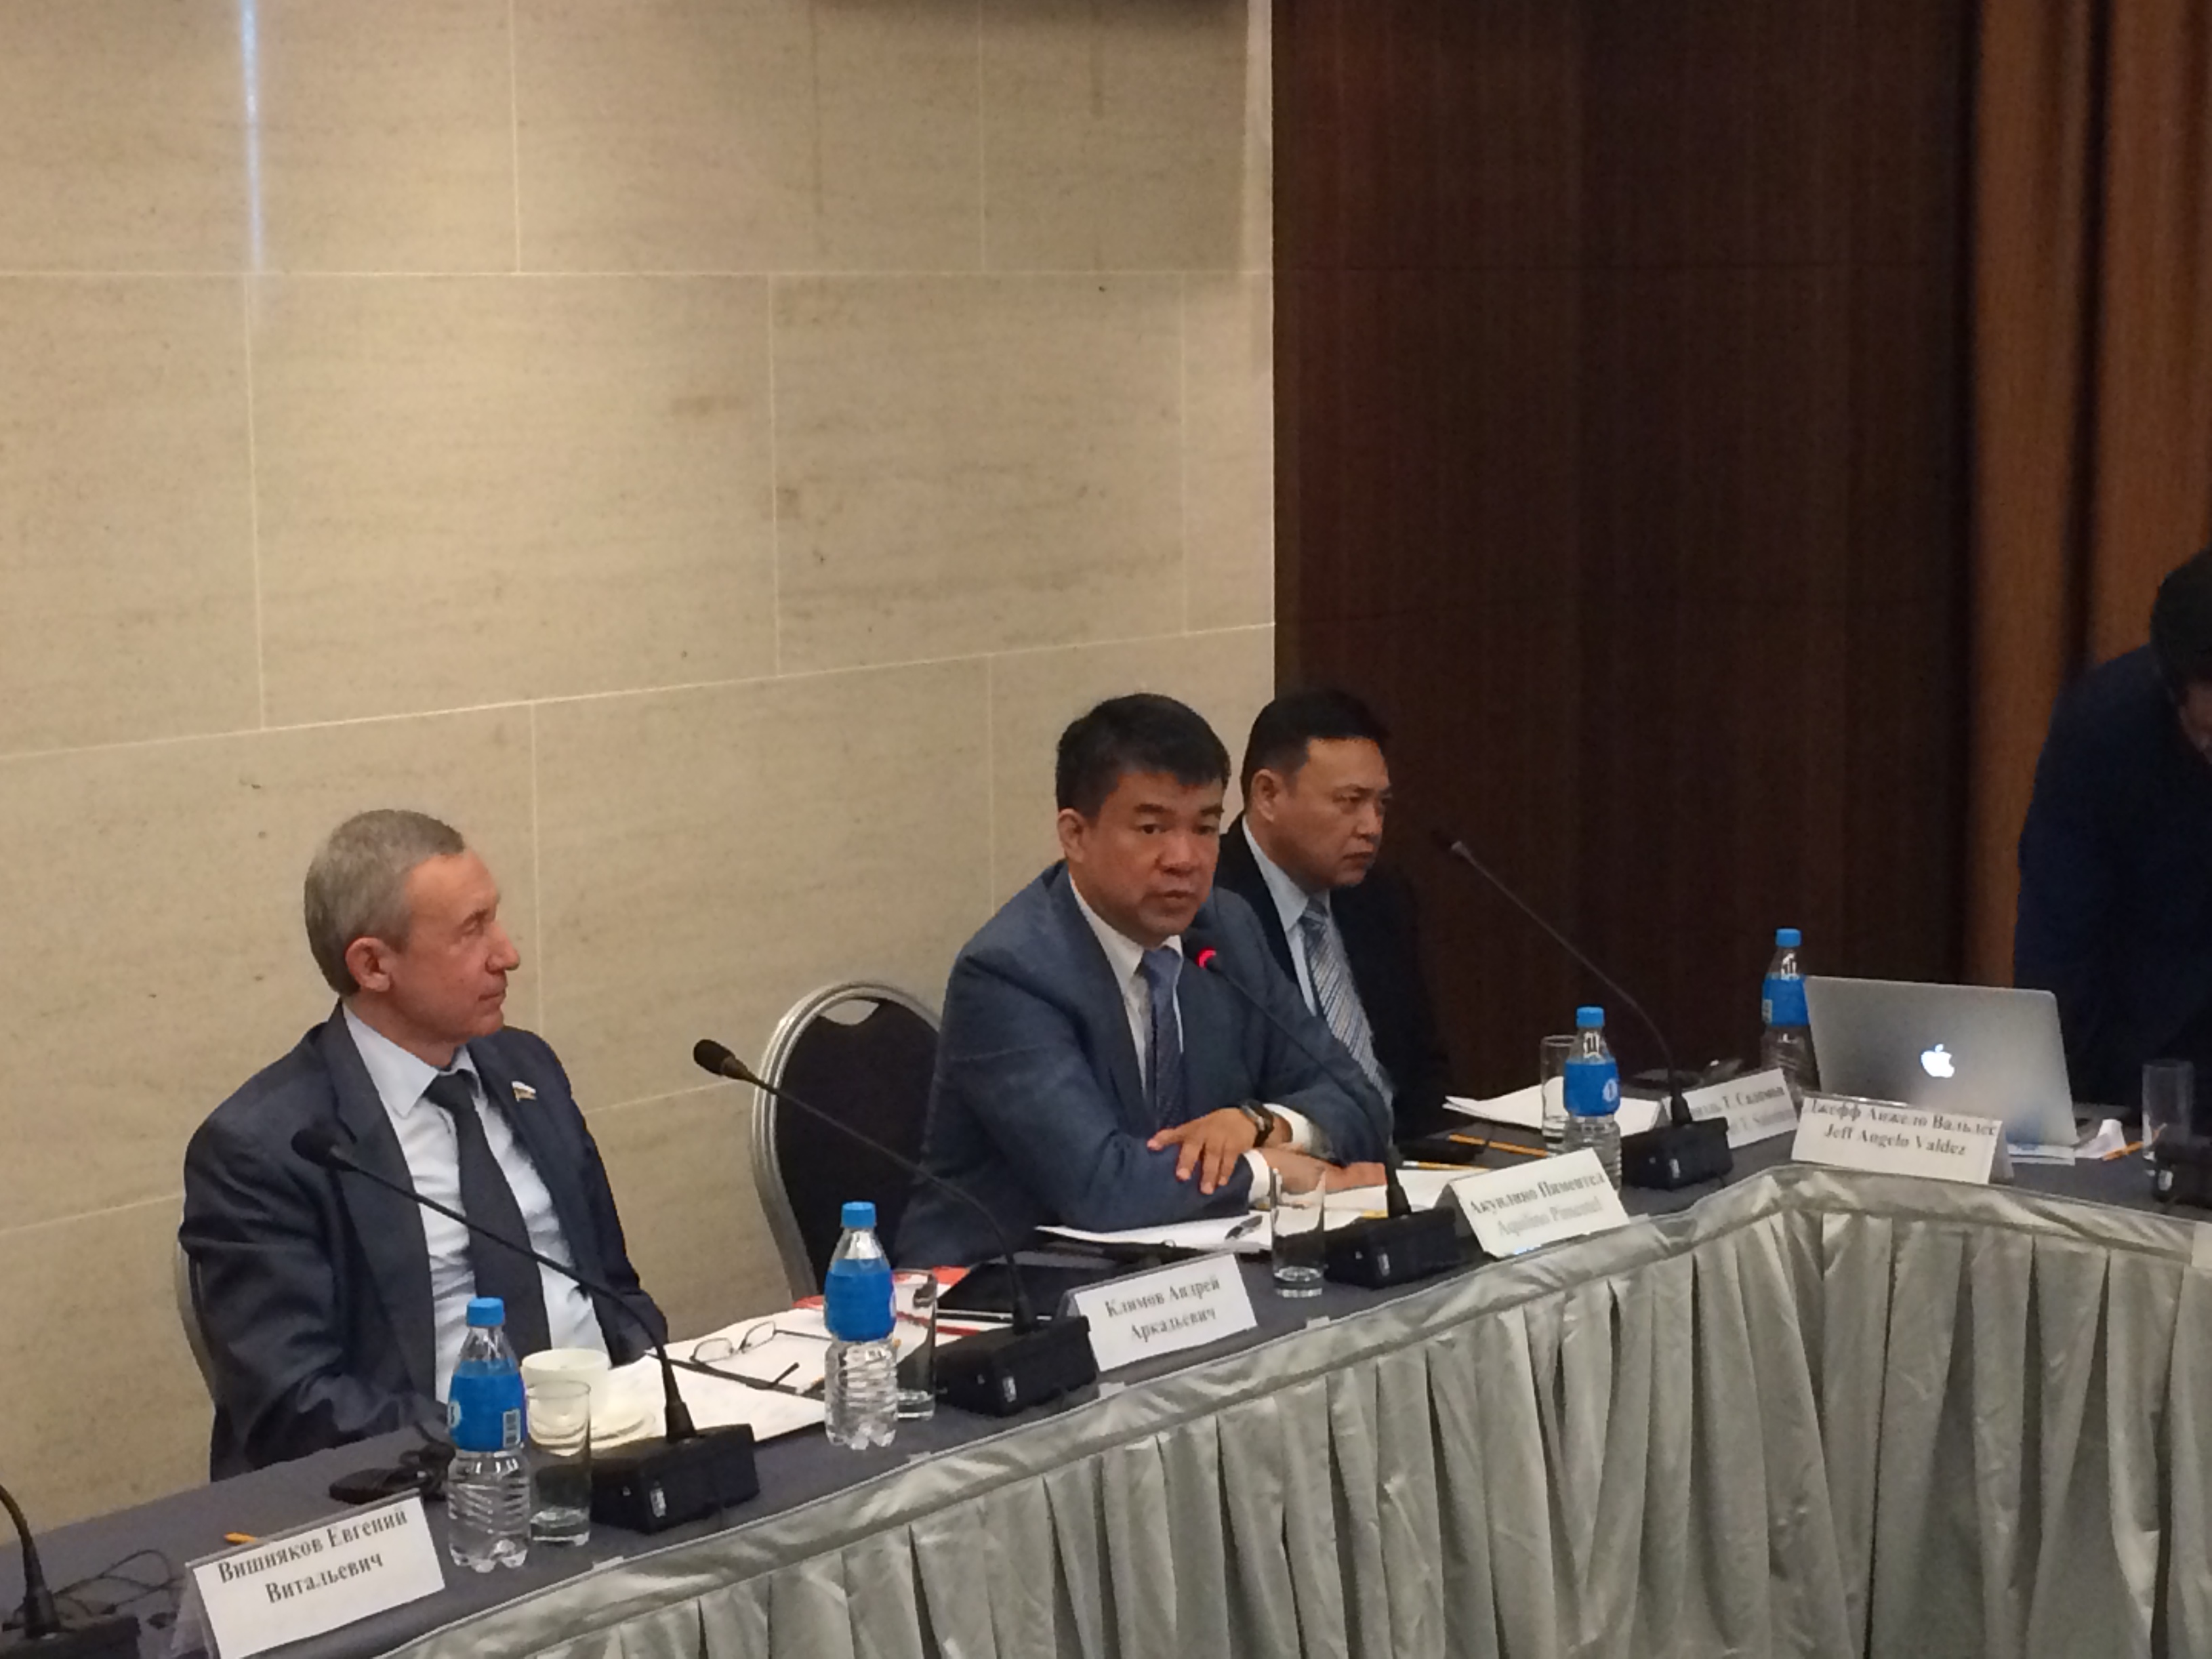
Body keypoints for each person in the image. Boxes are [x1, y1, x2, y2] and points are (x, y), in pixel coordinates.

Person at [180, 810, 665, 1477]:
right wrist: (502, 1437)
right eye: (471, 930)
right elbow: (294, 1404)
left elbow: (614, 1288)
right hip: (429, 1480)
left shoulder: (528, 1069)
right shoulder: (266, 1147)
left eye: (494, 918)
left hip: (614, 1449)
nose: (507, 954)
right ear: (374, 965)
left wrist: (646, 1393)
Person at [897, 694, 1391, 1268]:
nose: (1184, 858)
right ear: (1075, 835)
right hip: (1004, 1287)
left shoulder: (1225, 929)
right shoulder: (1011, 972)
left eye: (1205, 827)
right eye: (1152, 827)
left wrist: (1262, 1125)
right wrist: (1268, 1171)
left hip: (1182, 1277)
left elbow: (1360, 1100)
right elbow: (1103, 1188)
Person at [2017, 546, 2212, 1108]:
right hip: (2138, 1072)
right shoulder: (2103, 732)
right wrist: (2065, 1111)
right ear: (2173, 695)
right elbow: (2058, 945)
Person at [1213, 689, 1455, 1140]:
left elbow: (1423, 1067)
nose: (1372, 827)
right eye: (1350, 801)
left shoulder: (1382, 897)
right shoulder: (1208, 910)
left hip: (1410, 1165)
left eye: (1380, 804)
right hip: (1289, 1166)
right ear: (1267, 795)